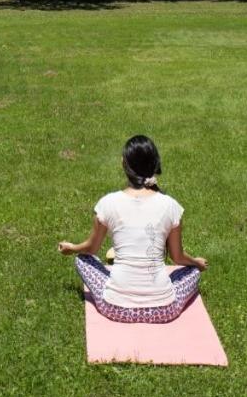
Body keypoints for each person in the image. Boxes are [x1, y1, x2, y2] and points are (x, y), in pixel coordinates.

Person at [57, 135, 206, 323]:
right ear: (155, 165)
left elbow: (91, 249)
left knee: (82, 259)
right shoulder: (171, 205)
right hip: (164, 310)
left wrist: (72, 248)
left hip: (115, 308)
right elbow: (178, 257)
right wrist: (197, 264)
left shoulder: (107, 203)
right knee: (192, 271)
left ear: (123, 164)